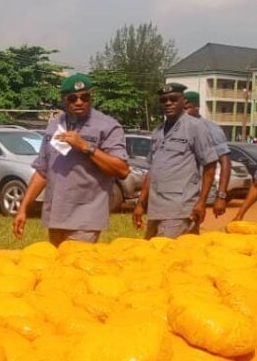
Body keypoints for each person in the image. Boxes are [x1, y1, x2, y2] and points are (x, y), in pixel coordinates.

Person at [12, 73, 128, 246]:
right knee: (59, 268)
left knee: (74, 266)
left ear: (91, 97)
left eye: (85, 97)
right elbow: (42, 171)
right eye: (73, 98)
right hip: (56, 214)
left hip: (86, 215)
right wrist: (23, 208)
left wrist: (85, 146)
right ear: (64, 100)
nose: (79, 102)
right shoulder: (54, 126)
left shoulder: (107, 126)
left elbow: (122, 169)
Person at [133, 84, 219, 238]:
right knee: (152, 256)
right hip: (156, 208)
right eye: (164, 100)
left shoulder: (195, 127)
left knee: (170, 256)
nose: (168, 103)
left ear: (183, 101)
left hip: (180, 209)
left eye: (173, 99)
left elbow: (210, 166)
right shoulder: (157, 131)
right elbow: (152, 171)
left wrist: (202, 202)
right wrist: (140, 203)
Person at [183, 88, 232, 217]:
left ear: (197, 108)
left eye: (186, 108)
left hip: (199, 192)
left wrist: (221, 196)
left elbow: (225, 162)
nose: (184, 113)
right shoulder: (176, 127)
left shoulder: (210, 128)